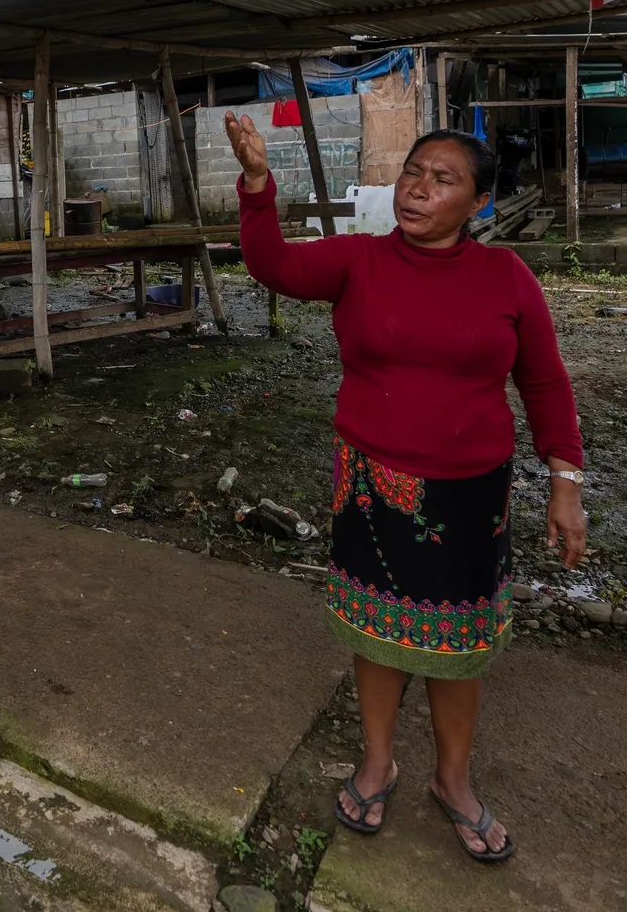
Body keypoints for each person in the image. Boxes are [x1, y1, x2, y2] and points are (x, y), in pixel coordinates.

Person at [224, 114, 587, 863]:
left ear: (479, 204)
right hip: (370, 485)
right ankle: (378, 762)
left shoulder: (506, 278)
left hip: (470, 495)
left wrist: (565, 481)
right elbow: (273, 267)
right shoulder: (358, 262)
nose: (419, 189)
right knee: (381, 635)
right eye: (414, 173)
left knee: (461, 642)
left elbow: (544, 381)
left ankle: (453, 780)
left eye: (443, 179)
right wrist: (258, 183)